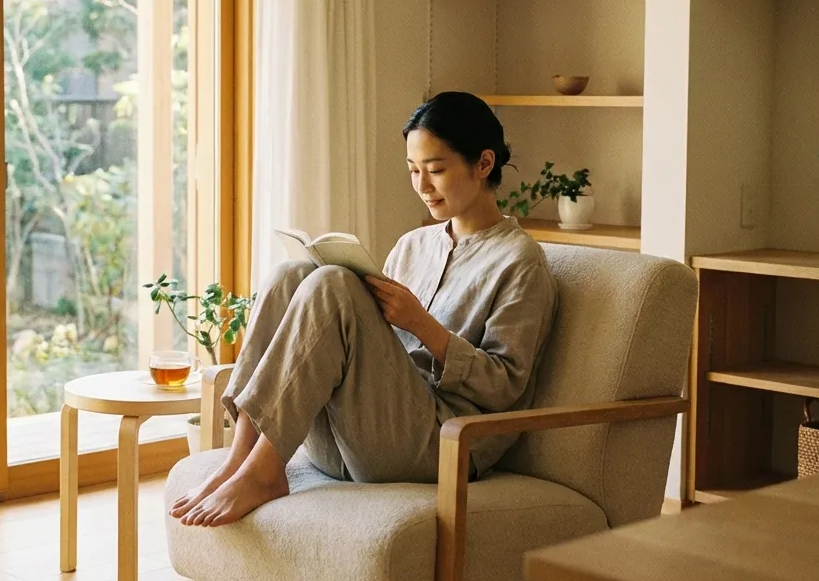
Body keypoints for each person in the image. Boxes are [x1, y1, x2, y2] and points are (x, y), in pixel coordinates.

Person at [171, 91, 558, 527]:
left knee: (334, 285)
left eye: (436, 170)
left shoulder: (520, 262)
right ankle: (242, 460)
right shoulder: (414, 245)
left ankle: (262, 473)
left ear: (483, 164)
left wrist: (421, 325)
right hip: (359, 436)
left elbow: (508, 386)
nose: (422, 186)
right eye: (413, 170)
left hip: (440, 443)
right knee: (291, 274)